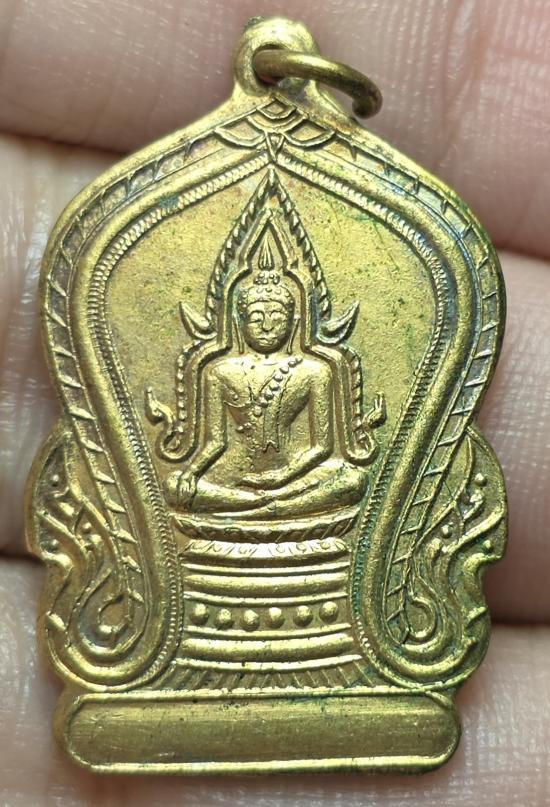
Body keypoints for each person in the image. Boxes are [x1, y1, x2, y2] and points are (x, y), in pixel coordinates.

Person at [1, 1, 549, 804]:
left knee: (343, 485)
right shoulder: (221, 369)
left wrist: (291, 485)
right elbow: (205, 454)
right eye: (252, 309)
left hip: (310, 497)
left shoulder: (316, 371)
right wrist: (204, 482)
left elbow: (336, 459)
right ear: (235, 312)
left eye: (275, 309)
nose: (263, 317)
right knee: (186, 493)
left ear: (295, 311)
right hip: (229, 504)